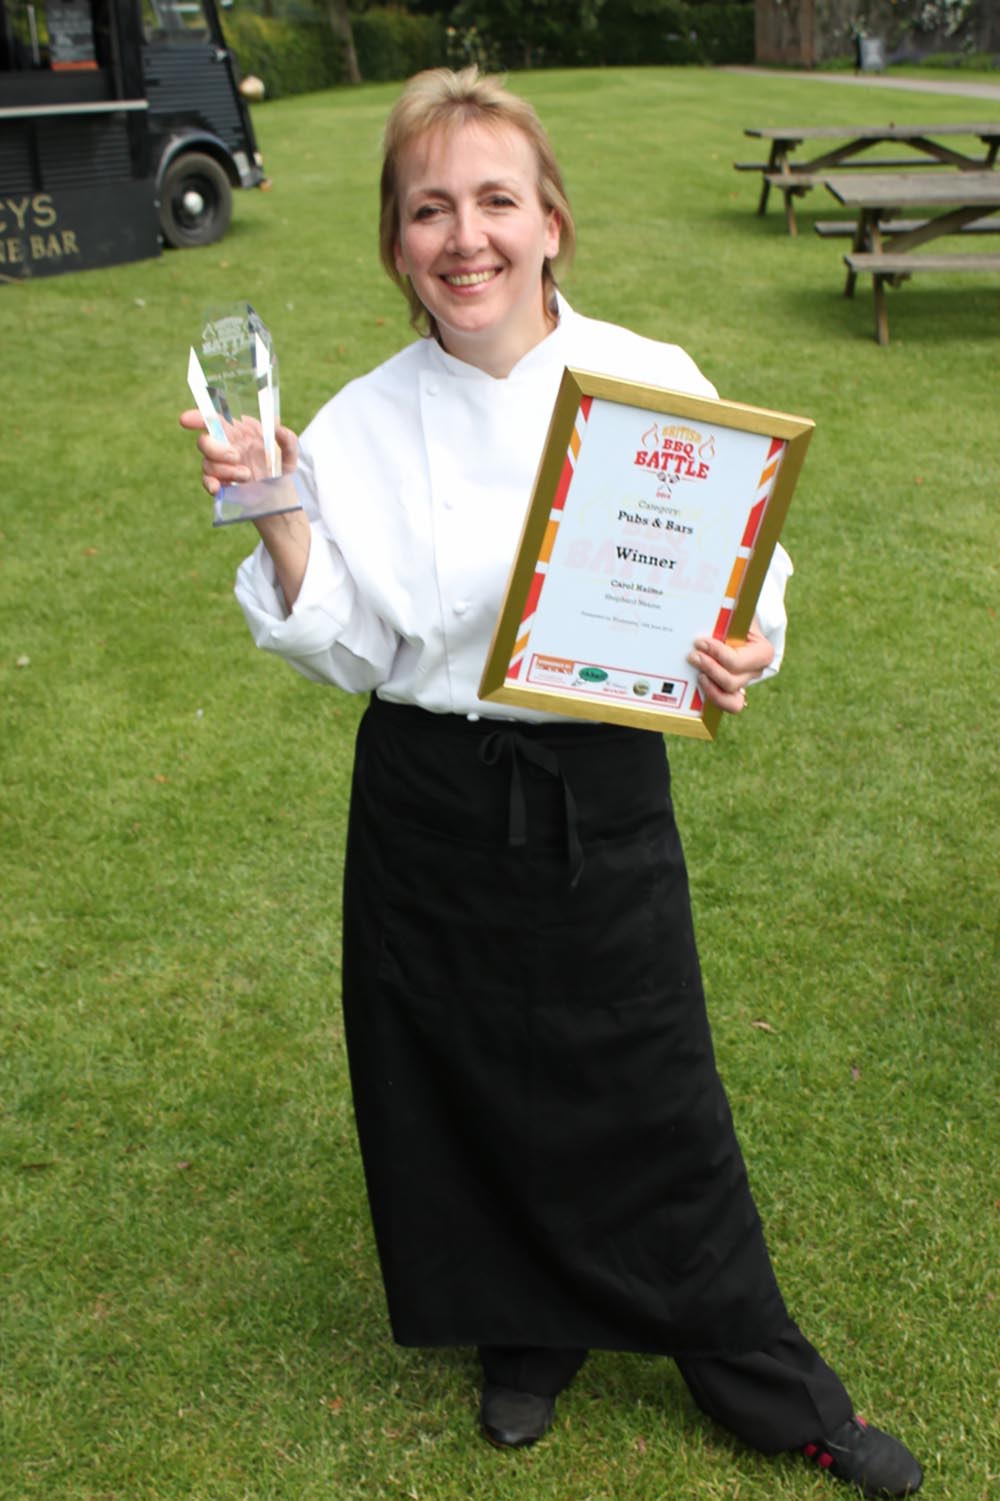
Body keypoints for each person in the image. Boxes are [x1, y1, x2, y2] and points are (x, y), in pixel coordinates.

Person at [180, 67, 922, 1499]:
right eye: (429, 209)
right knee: (455, 1066)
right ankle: (521, 1329)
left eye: (496, 202)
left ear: (553, 222)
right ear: (397, 243)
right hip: (426, 795)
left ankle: (752, 1361)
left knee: (647, 1072)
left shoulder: (656, 380)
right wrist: (277, 513)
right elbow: (352, 643)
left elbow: (744, 574)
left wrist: (742, 645)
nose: (467, 237)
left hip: (599, 782)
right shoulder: (358, 421)